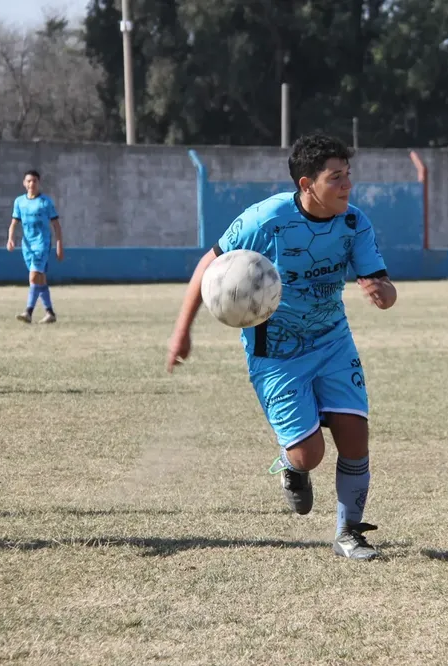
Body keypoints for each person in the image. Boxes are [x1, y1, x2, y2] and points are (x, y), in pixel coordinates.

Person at [166, 132, 398, 560]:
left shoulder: (353, 222)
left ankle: (349, 533)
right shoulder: (265, 219)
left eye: (348, 175)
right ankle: (293, 469)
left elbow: (378, 280)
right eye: (336, 178)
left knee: (355, 436)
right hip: (275, 350)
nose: (347, 185)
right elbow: (208, 264)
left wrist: (383, 292)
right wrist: (183, 330)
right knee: (310, 453)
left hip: (332, 340)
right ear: (307, 184)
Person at [6, 170, 64, 323]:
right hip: (27, 246)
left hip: (42, 244)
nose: (32, 184)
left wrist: (59, 245)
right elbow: (13, 223)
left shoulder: (45, 202)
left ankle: (28, 312)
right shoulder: (19, 202)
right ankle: (50, 313)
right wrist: (10, 239)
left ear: (39, 183)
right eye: (29, 181)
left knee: (33, 277)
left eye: (35, 181)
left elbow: (56, 226)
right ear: (24, 183)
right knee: (40, 279)